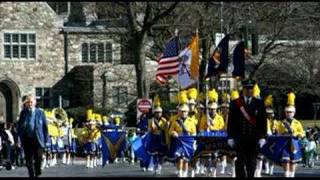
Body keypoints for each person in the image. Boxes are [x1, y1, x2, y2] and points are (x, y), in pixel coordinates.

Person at [227, 79, 267, 178]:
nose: (249, 91)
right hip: (240, 138)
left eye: (251, 88)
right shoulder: (235, 103)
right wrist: (230, 137)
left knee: (252, 163)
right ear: (243, 89)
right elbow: (231, 122)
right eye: (247, 88)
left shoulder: (259, 103)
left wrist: (263, 137)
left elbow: (263, 122)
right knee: (240, 162)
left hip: (254, 138)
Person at [17, 95, 48, 178]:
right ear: (26, 104)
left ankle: (37, 172)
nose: (30, 104)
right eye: (28, 102)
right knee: (28, 160)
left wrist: (46, 140)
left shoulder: (40, 112)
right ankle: (31, 174)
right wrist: (19, 139)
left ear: (35, 102)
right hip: (27, 139)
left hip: (38, 139)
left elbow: (45, 127)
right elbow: (19, 126)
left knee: (38, 157)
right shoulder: (23, 113)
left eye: (31, 102)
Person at [277, 91, 305, 177]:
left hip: (294, 143)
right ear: (285, 113)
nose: (289, 113)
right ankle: (286, 175)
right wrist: (284, 133)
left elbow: (302, 133)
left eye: (291, 112)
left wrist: (296, 133)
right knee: (286, 161)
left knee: (293, 161)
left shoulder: (297, 123)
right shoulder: (282, 123)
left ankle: (292, 175)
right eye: (287, 112)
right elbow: (279, 133)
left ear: (294, 113)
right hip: (285, 143)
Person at [169, 104, 197, 177]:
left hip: (188, 142)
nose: (183, 113)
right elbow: (170, 131)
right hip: (179, 141)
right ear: (179, 112)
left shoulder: (191, 121)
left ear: (187, 112)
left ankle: (185, 174)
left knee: (186, 160)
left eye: (185, 111)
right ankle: (180, 173)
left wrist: (194, 142)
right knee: (180, 158)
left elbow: (194, 132)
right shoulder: (176, 121)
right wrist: (173, 133)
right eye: (182, 111)